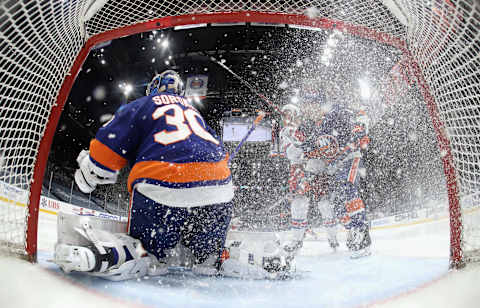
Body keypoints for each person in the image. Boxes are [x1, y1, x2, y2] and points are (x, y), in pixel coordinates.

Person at [54, 70, 235, 279]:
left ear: (153, 89)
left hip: (162, 184)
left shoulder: (145, 104)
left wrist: (90, 169)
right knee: (208, 252)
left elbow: (108, 148)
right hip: (219, 187)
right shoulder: (194, 113)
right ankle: (211, 258)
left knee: (148, 251)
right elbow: (220, 151)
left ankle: (130, 255)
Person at [299, 93, 372, 258]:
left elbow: (357, 128)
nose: (308, 112)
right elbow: (313, 147)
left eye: (310, 107)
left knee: (348, 188)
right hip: (336, 166)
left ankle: (360, 231)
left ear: (319, 105)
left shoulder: (337, 114)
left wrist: (356, 136)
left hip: (350, 158)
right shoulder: (319, 127)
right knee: (338, 202)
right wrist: (304, 147)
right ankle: (352, 231)